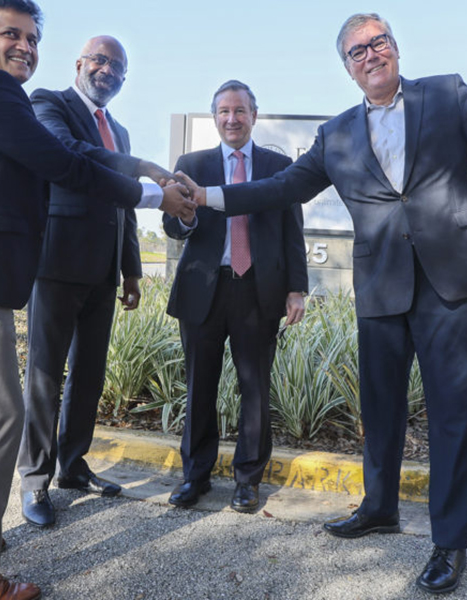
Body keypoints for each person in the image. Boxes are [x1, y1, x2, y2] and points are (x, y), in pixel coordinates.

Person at [179, 14, 467, 594]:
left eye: (379, 44)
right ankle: (380, 506)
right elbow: (282, 188)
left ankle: (449, 542)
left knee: (452, 413)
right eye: (357, 51)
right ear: (347, 67)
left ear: (395, 49)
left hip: (451, 278)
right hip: (381, 285)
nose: (370, 55)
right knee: (380, 406)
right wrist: (209, 196)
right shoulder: (337, 133)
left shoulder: (447, 94)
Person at [0, 1, 193, 598]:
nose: (25, 46)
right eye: (10, 34)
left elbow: (81, 154)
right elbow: (64, 162)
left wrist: (147, 167)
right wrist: (153, 195)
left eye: (32, 38)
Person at [16, 35, 144, 527]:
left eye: (117, 66)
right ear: (80, 63)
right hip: (56, 265)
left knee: (88, 376)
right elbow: (66, 153)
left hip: (102, 271)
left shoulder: (122, 133)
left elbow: (125, 206)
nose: (107, 70)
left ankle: (72, 465)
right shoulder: (49, 104)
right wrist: (140, 172)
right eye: (100, 59)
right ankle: (34, 480)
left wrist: (131, 269)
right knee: (45, 379)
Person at [164, 80, 308, 513]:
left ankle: (248, 480)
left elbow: (292, 233)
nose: (232, 118)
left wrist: (296, 289)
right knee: (199, 388)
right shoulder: (192, 164)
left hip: (258, 290)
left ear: (254, 116)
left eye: (240, 111)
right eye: (224, 111)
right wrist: (186, 218)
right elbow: (174, 228)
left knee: (255, 390)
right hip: (203, 291)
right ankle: (196, 477)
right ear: (215, 118)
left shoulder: (279, 165)